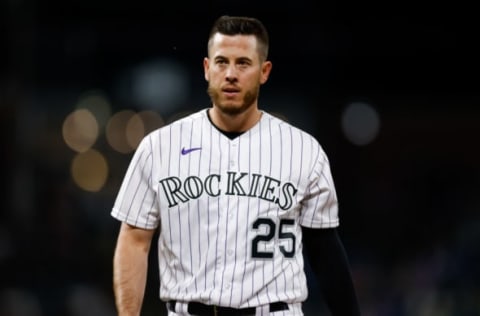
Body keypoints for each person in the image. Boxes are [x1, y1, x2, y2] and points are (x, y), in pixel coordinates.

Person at [111, 15, 361, 316]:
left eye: (243, 63)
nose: (230, 73)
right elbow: (134, 241)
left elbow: (325, 250)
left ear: (264, 71)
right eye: (221, 62)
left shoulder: (303, 150)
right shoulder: (159, 147)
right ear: (206, 68)